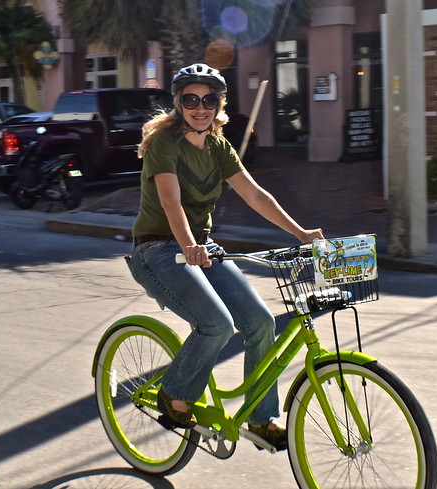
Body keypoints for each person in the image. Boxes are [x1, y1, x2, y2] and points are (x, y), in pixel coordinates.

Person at [127, 63, 324, 448]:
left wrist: (300, 233)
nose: (200, 107)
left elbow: (255, 195)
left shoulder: (219, 147)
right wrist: (188, 246)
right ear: (179, 104)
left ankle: (260, 418)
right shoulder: (165, 145)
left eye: (208, 99)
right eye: (191, 100)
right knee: (216, 323)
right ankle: (174, 392)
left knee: (261, 322)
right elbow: (171, 202)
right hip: (157, 249)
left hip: (201, 248)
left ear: (219, 104)